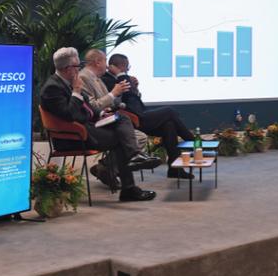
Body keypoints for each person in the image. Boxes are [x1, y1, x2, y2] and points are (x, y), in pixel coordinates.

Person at [40, 47, 160, 202]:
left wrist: (102, 114)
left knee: (122, 119)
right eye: (77, 66)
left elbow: (89, 106)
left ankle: (134, 160)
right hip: (73, 136)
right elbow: (69, 115)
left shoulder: (68, 82)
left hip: (88, 127)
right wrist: (76, 92)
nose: (79, 69)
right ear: (68, 69)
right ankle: (130, 184)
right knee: (122, 139)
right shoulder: (53, 87)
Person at [104, 54, 195, 179]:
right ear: (121, 66)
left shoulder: (122, 78)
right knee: (169, 111)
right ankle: (194, 143)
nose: (128, 70)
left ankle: (175, 169)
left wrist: (135, 88)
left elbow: (132, 98)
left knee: (169, 125)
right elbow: (120, 99)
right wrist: (122, 76)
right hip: (130, 120)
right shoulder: (108, 79)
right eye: (127, 67)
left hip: (140, 114)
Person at [79, 49, 149, 188]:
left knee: (139, 137)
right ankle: (111, 172)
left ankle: (106, 169)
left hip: (107, 118)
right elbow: (93, 106)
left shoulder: (97, 78)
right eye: (105, 61)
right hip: (95, 124)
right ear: (97, 62)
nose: (107, 65)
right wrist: (113, 93)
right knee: (134, 138)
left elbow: (111, 103)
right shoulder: (84, 77)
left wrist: (123, 93)